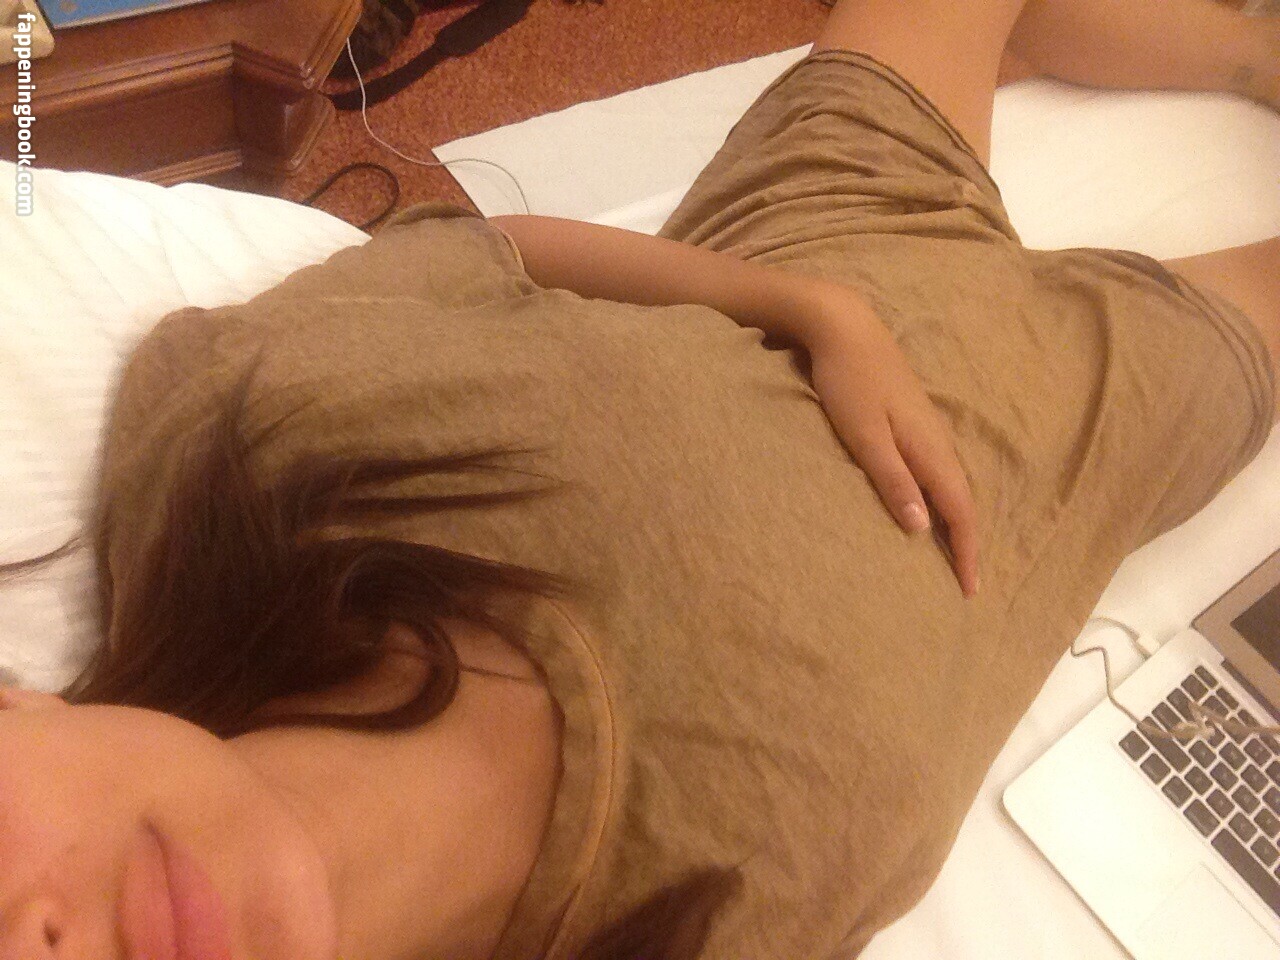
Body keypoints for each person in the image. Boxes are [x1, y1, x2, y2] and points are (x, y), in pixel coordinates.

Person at [1, 0, 1277, 956]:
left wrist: (809, 311)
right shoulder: (708, 927)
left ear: (15, 706)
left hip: (806, 237)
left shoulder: (224, 444)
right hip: (1067, 414)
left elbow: (485, 250)